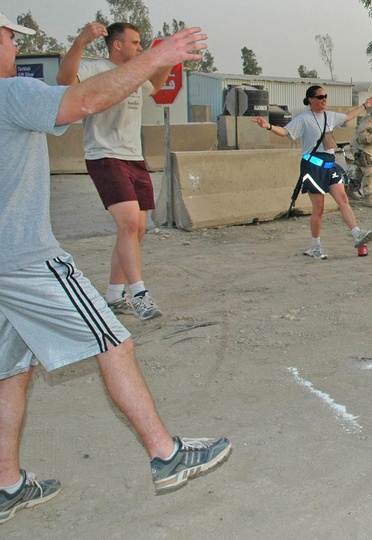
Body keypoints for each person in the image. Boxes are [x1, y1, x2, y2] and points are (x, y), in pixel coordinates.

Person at [0, 18, 230, 525]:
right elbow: (80, 100)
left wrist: (153, 63)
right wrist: (157, 54)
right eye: (8, 35)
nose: (15, 43)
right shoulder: (10, 93)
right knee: (113, 339)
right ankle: (166, 455)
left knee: (11, 372)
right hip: (22, 258)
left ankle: (6, 485)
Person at [56, 22, 170, 320]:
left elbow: (153, 88)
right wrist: (81, 41)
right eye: (135, 42)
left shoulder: (135, 74)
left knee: (136, 229)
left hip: (134, 158)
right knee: (129, 224)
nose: (140, 47)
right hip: (104, 155)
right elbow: (65, 80)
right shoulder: (97, 69)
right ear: (117, 45)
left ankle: (113, 294)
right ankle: (140, 293)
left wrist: (170, 60)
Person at [254, 88, 372, 259]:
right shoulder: (304, 119)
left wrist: (365, 105)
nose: (324, 99)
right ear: (310, 99)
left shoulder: (330, 116)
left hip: (330, 165)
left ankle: (357, 233)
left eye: (325, 96)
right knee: (319, 208)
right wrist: (268, 126)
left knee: (343, 199)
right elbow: (285, 132)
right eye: (320, 97)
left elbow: (348, 116)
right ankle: (315, 246)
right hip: (313, 166)